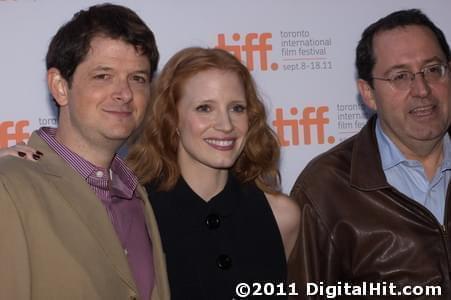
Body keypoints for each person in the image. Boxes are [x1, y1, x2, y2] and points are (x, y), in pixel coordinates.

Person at [0, 4, 169, 300]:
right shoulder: (10, 187)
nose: (125, 93)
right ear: (60, 86)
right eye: (103, 76)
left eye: (138, 78)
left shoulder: (138, 196)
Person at [288, 9, 451, 299]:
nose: (423, 90)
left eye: (433, 69)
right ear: (369, 93)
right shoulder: (325, 189)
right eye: (400, 76)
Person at [126, 47, 300, 300]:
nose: (226, 125)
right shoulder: (137, 214)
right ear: (172, 118)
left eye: (237, 108)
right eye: (205, 108)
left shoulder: (282, 216)